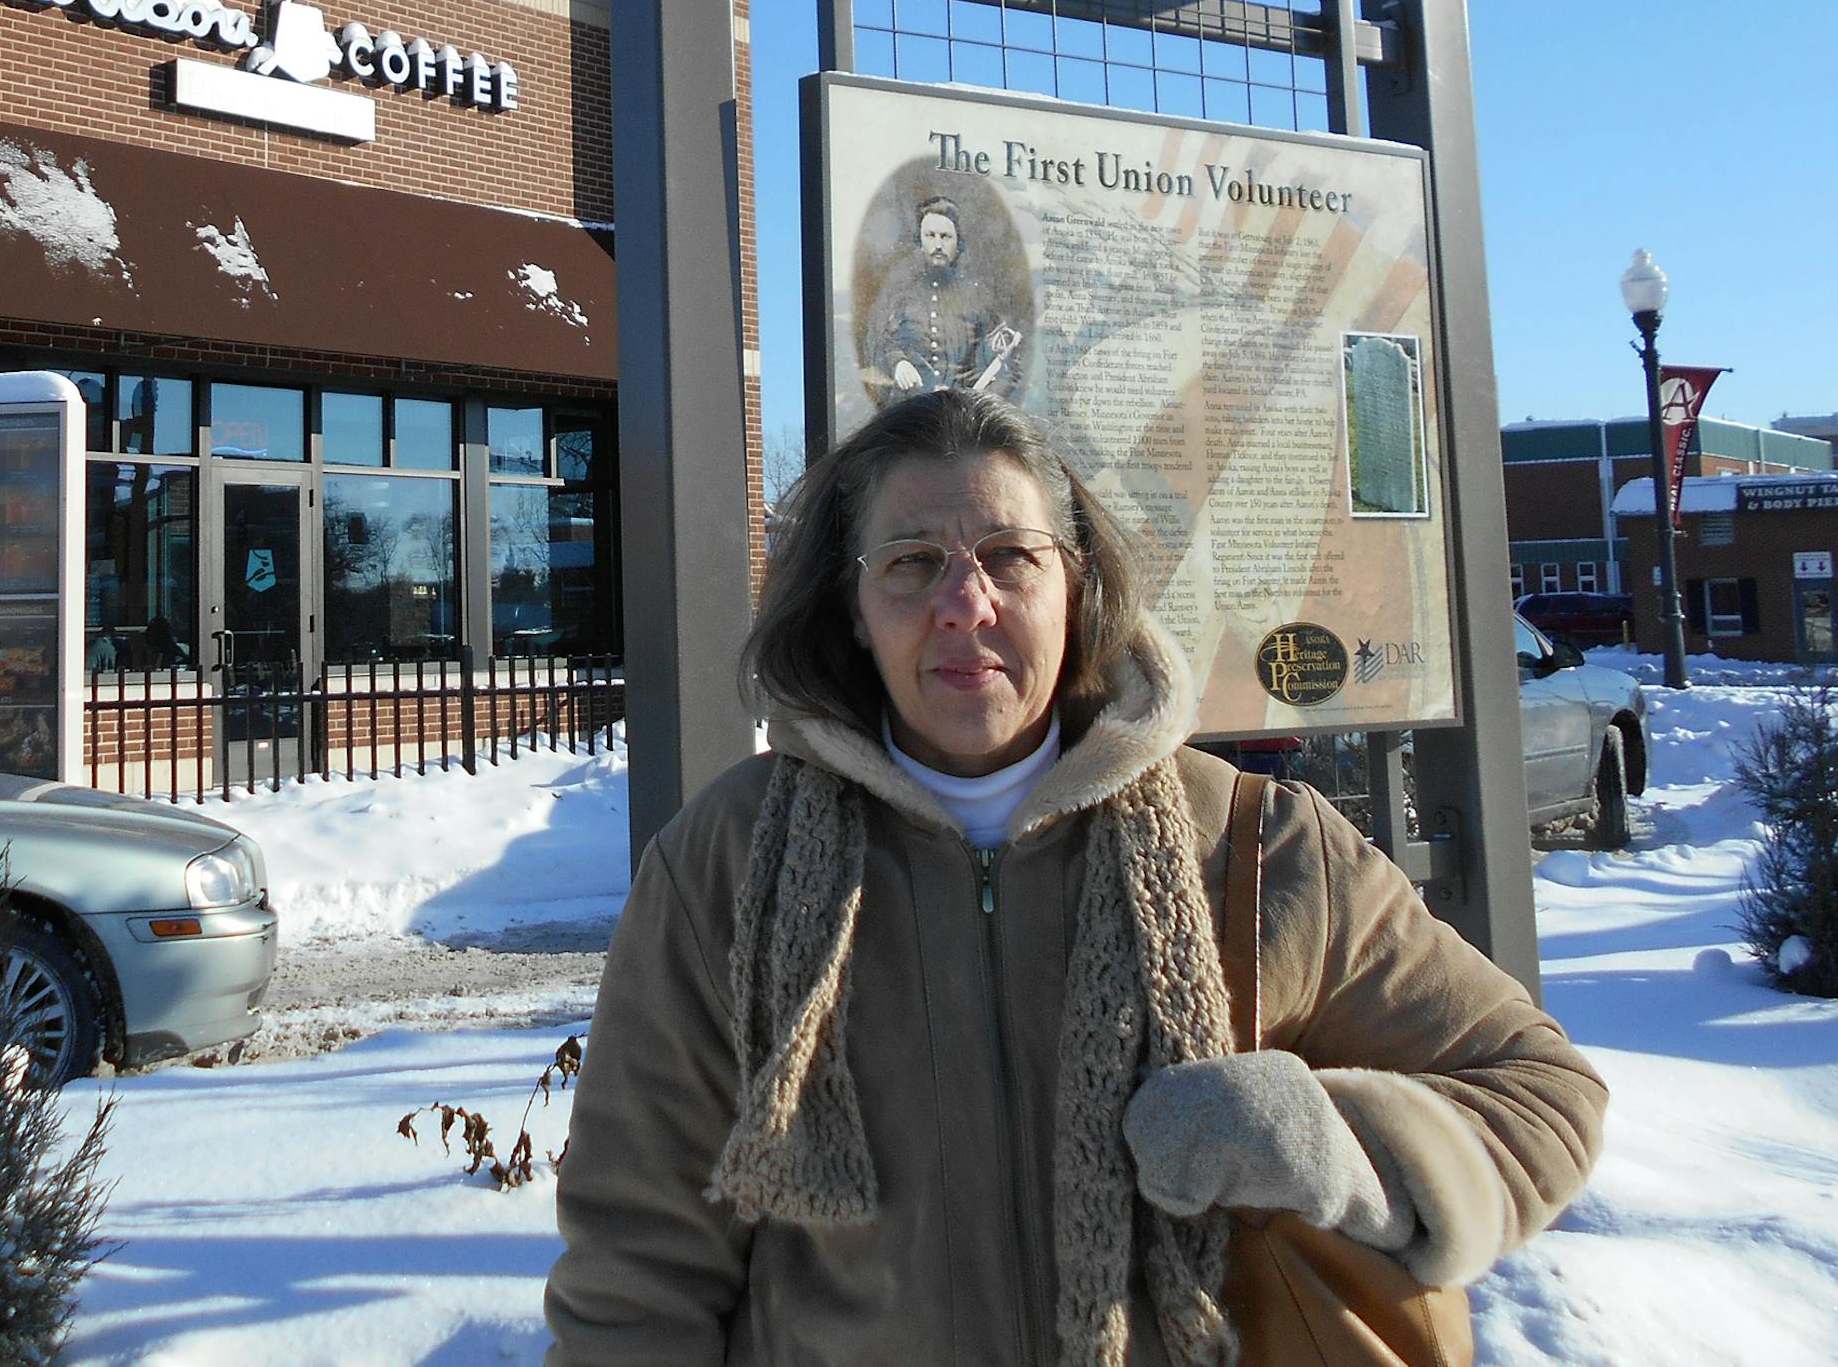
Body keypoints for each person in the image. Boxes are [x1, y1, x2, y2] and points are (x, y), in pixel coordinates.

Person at [544, 390, 1605, 1366]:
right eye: (911, 561)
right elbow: (639, 1266)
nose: (966, 600)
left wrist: (1333, 1144)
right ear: (851, 607)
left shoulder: (1258, 843)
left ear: (1078, 586)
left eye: (1011, 555)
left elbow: (1542, 1093)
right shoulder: (725, 865)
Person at [863, 196, 1026, 404]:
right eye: (930, 235)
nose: (938, 244)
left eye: (946, 236)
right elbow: (878, 340)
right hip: (909, 415)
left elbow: (1009, 365)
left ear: (958, 243)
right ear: (920, 241)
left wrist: (982, 406)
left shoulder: (977, 297)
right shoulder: (902, 293)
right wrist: (898, 362)